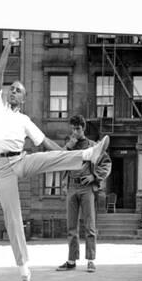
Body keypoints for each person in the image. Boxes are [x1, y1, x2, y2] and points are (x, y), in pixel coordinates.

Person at [0, 37, 109, 281]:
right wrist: (9, 47)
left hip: (19, 160)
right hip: (0, 168)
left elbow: (47, 145)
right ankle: (24, 269)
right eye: (11, 88)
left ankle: (89, 154)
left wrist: (67, 156)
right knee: (13, 216)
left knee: (48, 157)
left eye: (18, 90)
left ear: (24, 99)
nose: (13, 91)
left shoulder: (25, 120)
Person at [56, 115, 112, 273]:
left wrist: (95, 176)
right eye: (73, 128)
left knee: (90, 225)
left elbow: (106, 163)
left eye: (78, 128)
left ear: (83, 128)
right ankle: (71, 260)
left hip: (87, 188)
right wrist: (69, 146)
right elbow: (59, 160)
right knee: (71, 226)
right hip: (72, 187)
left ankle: (91, 261)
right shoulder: (69, 145)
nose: (75, 131)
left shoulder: (93, 146)